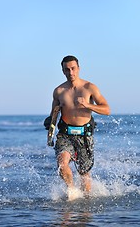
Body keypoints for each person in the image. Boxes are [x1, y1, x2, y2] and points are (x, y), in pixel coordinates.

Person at [44, 55, 110, 200]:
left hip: (84, 136)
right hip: (65, 134)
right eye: (67, 70)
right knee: (62, 163)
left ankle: (85, 204)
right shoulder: (59, 91)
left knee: (84, 173)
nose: (71, 72)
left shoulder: (89, 87)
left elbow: (106, 109)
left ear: (78, 69)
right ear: (63, 71)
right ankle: (72, 191)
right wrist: (49, 122)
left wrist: (87, 105)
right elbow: (53, 115)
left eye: (73, 69)